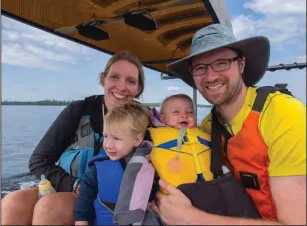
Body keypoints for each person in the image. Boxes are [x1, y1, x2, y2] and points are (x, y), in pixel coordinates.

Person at [151, 23, 306, 225]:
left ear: (241, 65)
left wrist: (191, 218)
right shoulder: (208, 126)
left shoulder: (282, 113)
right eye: (200, 68)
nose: (211, 76)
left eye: (222, 62)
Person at [1, 51, 146, 225]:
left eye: (130, 81)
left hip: (105, 198)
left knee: (49, 207)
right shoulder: (78, 111)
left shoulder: (145, 120)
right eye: (115, 77)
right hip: (70, 185)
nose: (122, 87)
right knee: (12, 202)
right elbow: (38, 161)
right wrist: (75, 185)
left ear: (138, 89)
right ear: (103, 80)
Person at [114, 94, 260, 225]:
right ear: (163, 118)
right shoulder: (153, 139)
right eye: (176, 112)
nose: (184, 116)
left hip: (214, 190)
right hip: (177, 196)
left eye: (189, 112)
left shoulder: (206, 133)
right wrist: (130, 211)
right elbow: (137, 170)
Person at [74, 103, 151, 225]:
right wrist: (81, 222)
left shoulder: (149, 168)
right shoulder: (97, 170)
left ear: (137, 140)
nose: (108, 145)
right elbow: (84, 201)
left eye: (116, 138)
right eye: (105, 136)